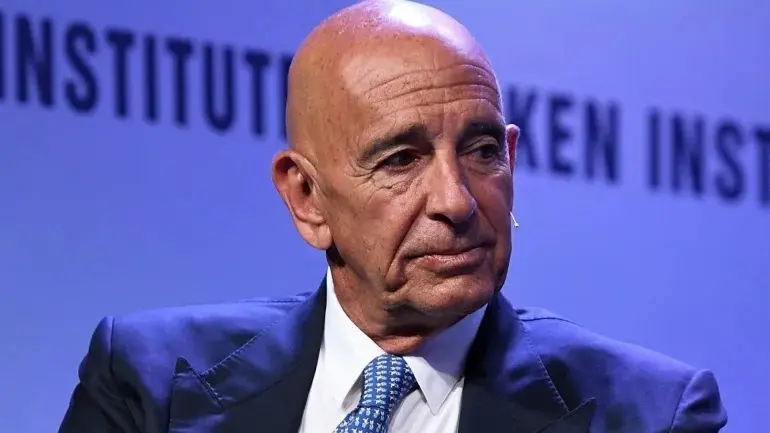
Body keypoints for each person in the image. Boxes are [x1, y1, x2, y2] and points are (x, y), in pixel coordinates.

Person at [58, 1, 727, 432]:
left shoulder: (651, 415)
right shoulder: (147, 383)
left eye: (483, 151)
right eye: (402, 159)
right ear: (306, 198)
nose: (457, 201)